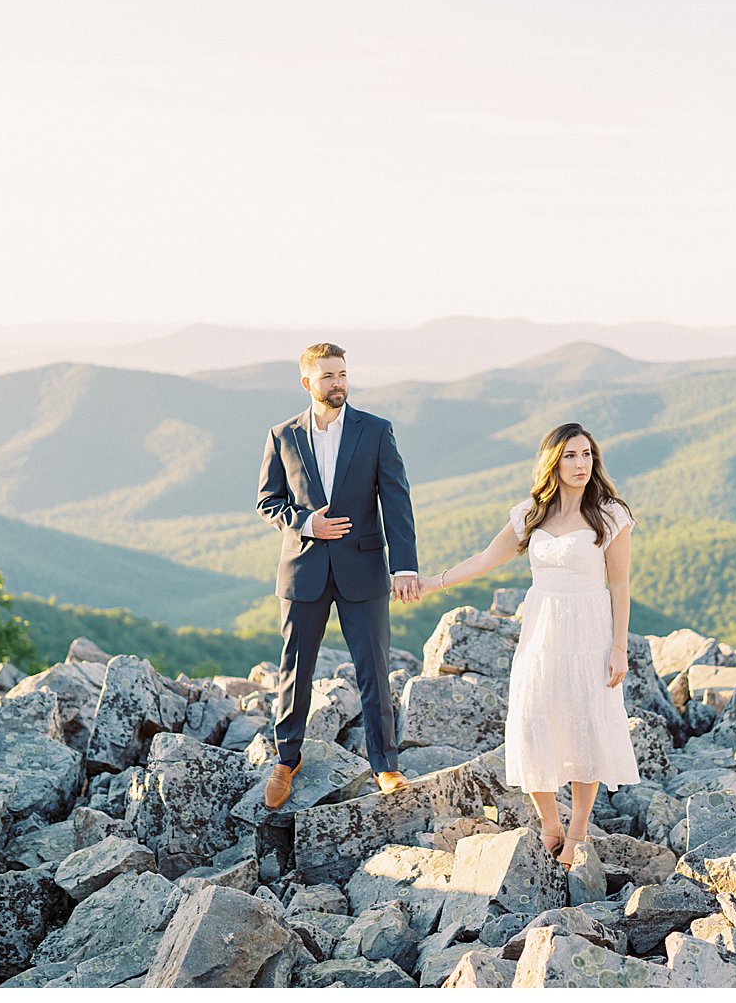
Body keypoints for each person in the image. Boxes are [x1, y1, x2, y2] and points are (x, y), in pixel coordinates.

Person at [416, 422, 640, 868]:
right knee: (534, 720)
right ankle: (550, 824)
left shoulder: (611, 514)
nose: (581, 464)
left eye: (587, 455)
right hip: (541, 631)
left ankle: (577, 832)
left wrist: (619, 648)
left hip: (590, 631)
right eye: (571, 456)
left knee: (585, 725)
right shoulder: (531, 513)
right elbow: (485, 559)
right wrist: (432, 583)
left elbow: (620, 585)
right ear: (553, 461)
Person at [256, 342, 420, 808]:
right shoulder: (282, 435)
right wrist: (308, 523)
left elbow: (397, 500)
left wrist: (404, 566)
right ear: (307, 382)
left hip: (364, 569)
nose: (338, 383)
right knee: (295, 669)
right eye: (328, 376)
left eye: (343, 374)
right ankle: (287, 759)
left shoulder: (376, 431)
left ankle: (385, 765)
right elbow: (267, 501)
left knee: (374, 670)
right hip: (303, 569)